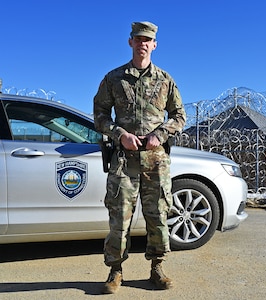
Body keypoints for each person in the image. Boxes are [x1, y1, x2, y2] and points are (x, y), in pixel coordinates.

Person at [93, 21, 186, 294]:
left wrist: (161, 133)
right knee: (119, 217)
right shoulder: (114, 79)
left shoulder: (165, 80)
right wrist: (119, 133)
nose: (143, 44)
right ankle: (115, 270)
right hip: (124, 160)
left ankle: (157, 268)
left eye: (148, 40)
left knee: (158, 214)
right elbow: (99, 115)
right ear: (130, 42)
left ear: (154, 45)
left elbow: (179, 116)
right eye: (138, 39)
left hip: (155, 159)